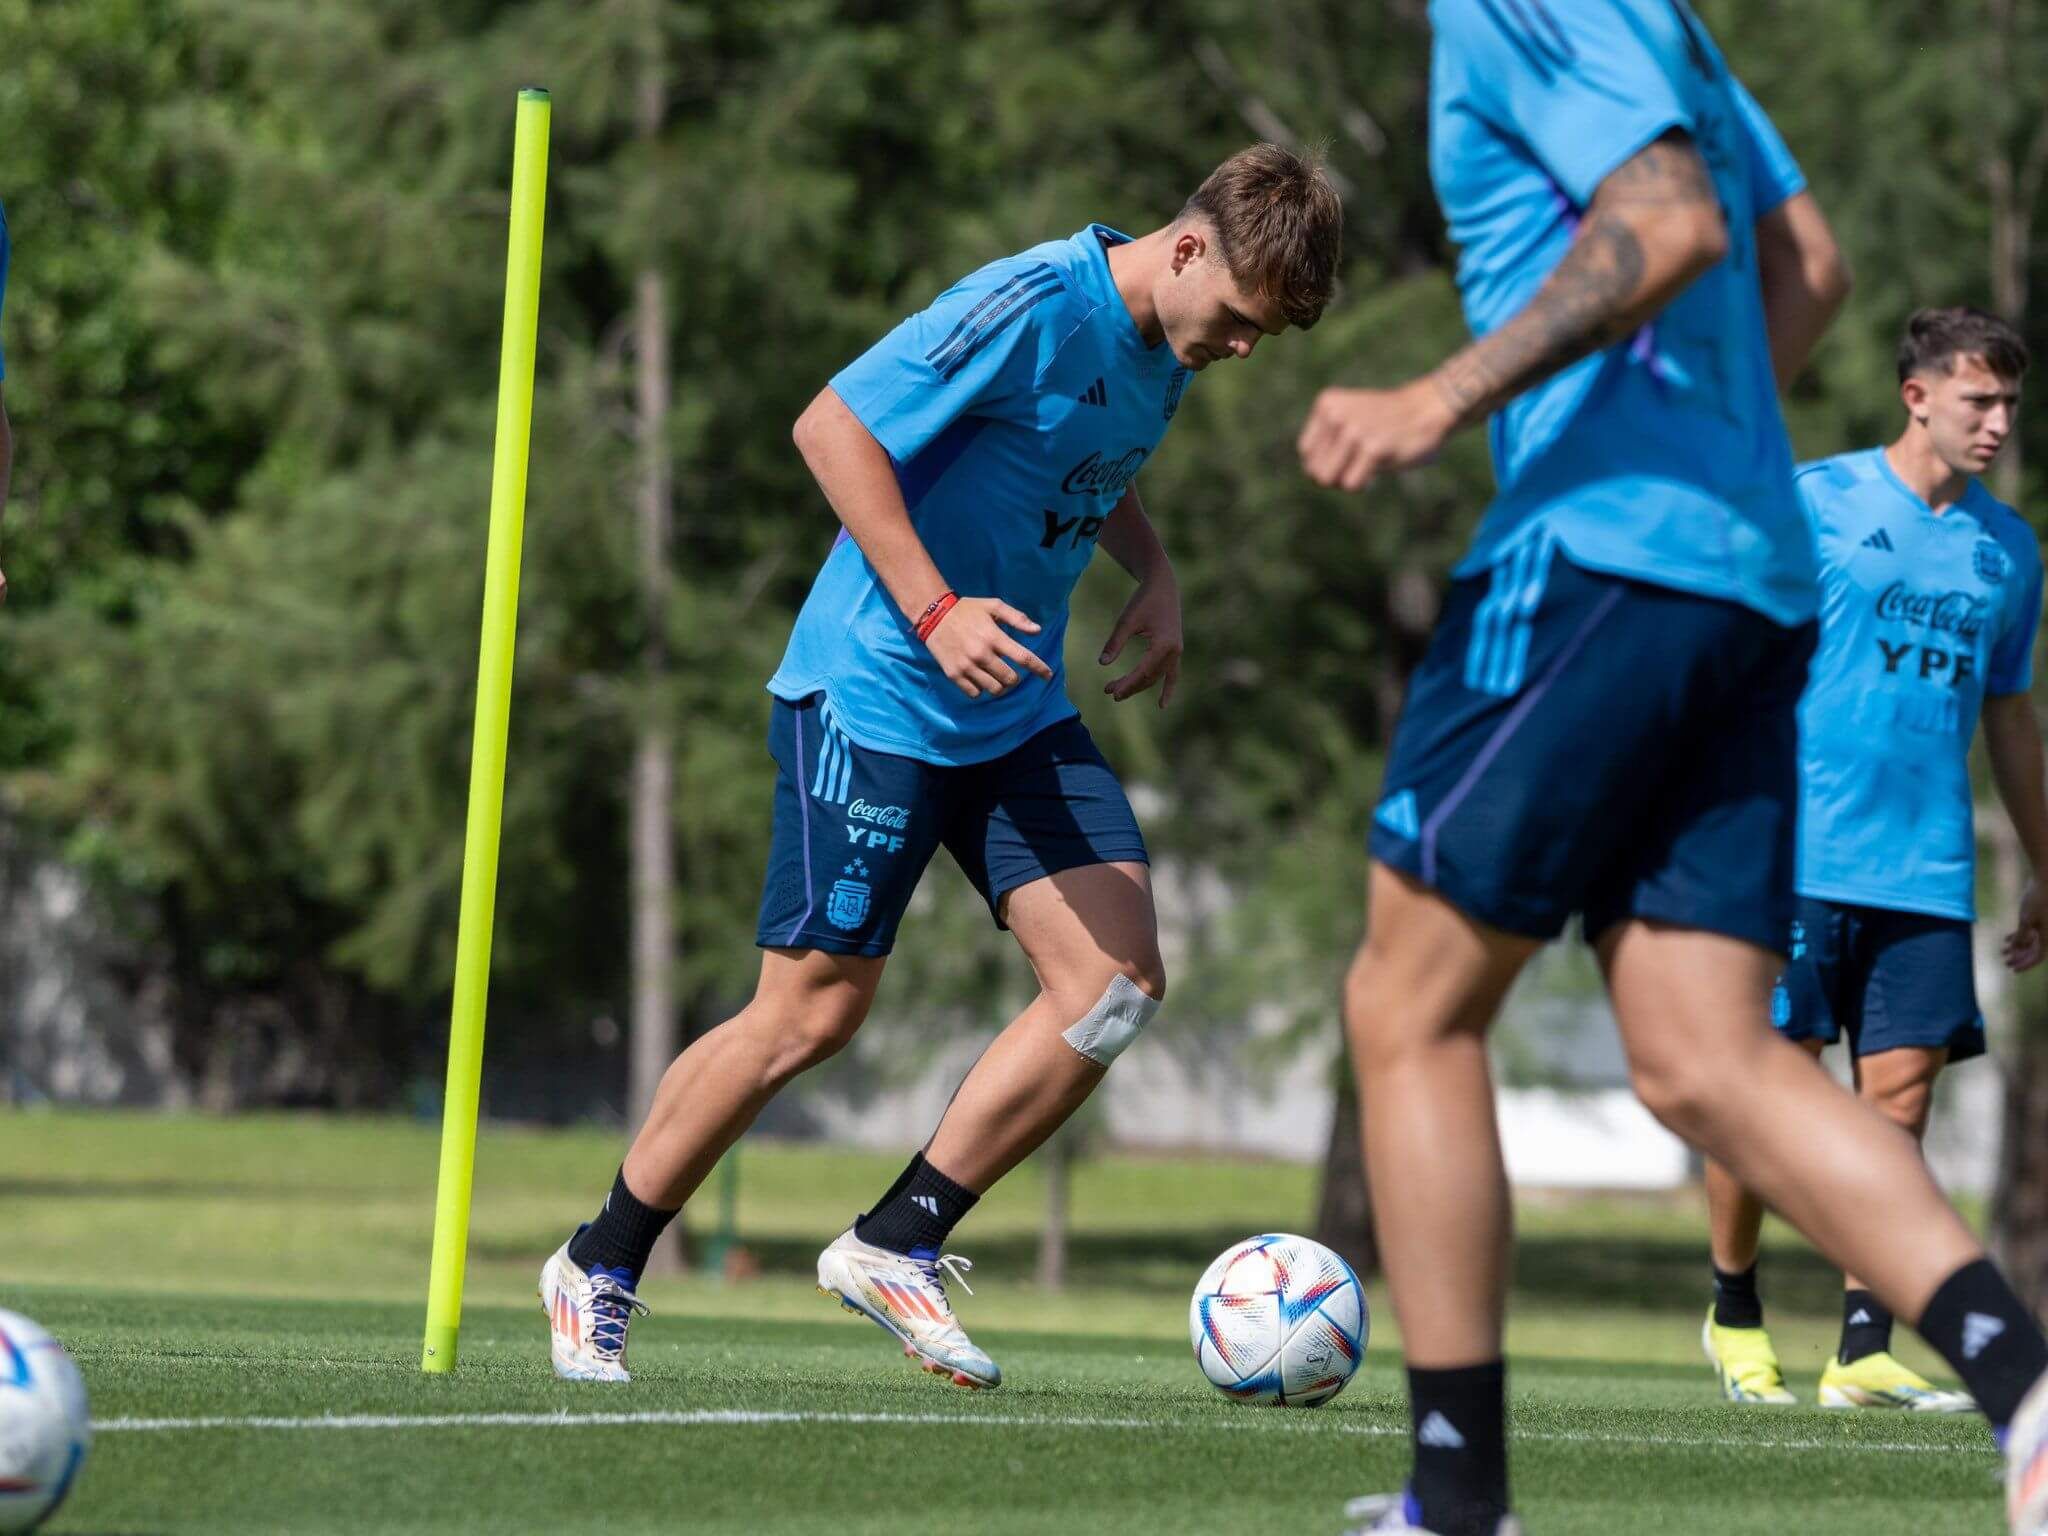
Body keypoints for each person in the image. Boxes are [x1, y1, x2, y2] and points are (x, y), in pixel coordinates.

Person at [1293, 4, 2048, 1533]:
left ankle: (1457, 1498)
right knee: (1709, 1060)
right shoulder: (1666, 20)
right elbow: (1811, 266)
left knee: (1408, 1001)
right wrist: (1715, 463)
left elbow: (1674, 222)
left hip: (1601, 565)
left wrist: (1443, 397)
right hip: (1752, 574)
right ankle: (2029, 1397)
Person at [541, 144, 1343, 1390]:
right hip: (877, 693)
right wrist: (932, 611)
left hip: (1010, 707)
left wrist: (1159, 574)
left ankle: (894, 1242)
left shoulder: (1162, 346)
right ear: (1187, 248)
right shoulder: (1029, 302)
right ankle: (598, 1260)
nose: (1243, 349)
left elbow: (1086, 465)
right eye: (1240, 320)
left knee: (1115, 982)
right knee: (808, 1015)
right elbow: (832, 427)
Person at [1703, 307, 2047, 1412]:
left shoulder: (2009, 549)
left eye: (2006, 403)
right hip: (1796, 849)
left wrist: (2042, 861)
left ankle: (1859, 1349)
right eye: (1976, 400)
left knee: (1892, 1115)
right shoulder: (1818, 501)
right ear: (1915, 396)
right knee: (1766, 1100)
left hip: (1925, 871)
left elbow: (2007, 716)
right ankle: (1732, 1306)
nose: (1996, 422)